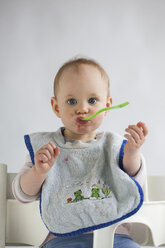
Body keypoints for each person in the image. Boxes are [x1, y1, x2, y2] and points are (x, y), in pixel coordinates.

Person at [12, 57, 148, 248]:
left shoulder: (115, 146)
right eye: (71, 101)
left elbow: (133, 180)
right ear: (56, 107)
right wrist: (39, 172)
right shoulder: (47, 150)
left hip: (116, 236)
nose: (82, 109)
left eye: (92, 100)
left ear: (107, 104)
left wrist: (133, 152)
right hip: (64, 239)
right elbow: (22, 194)